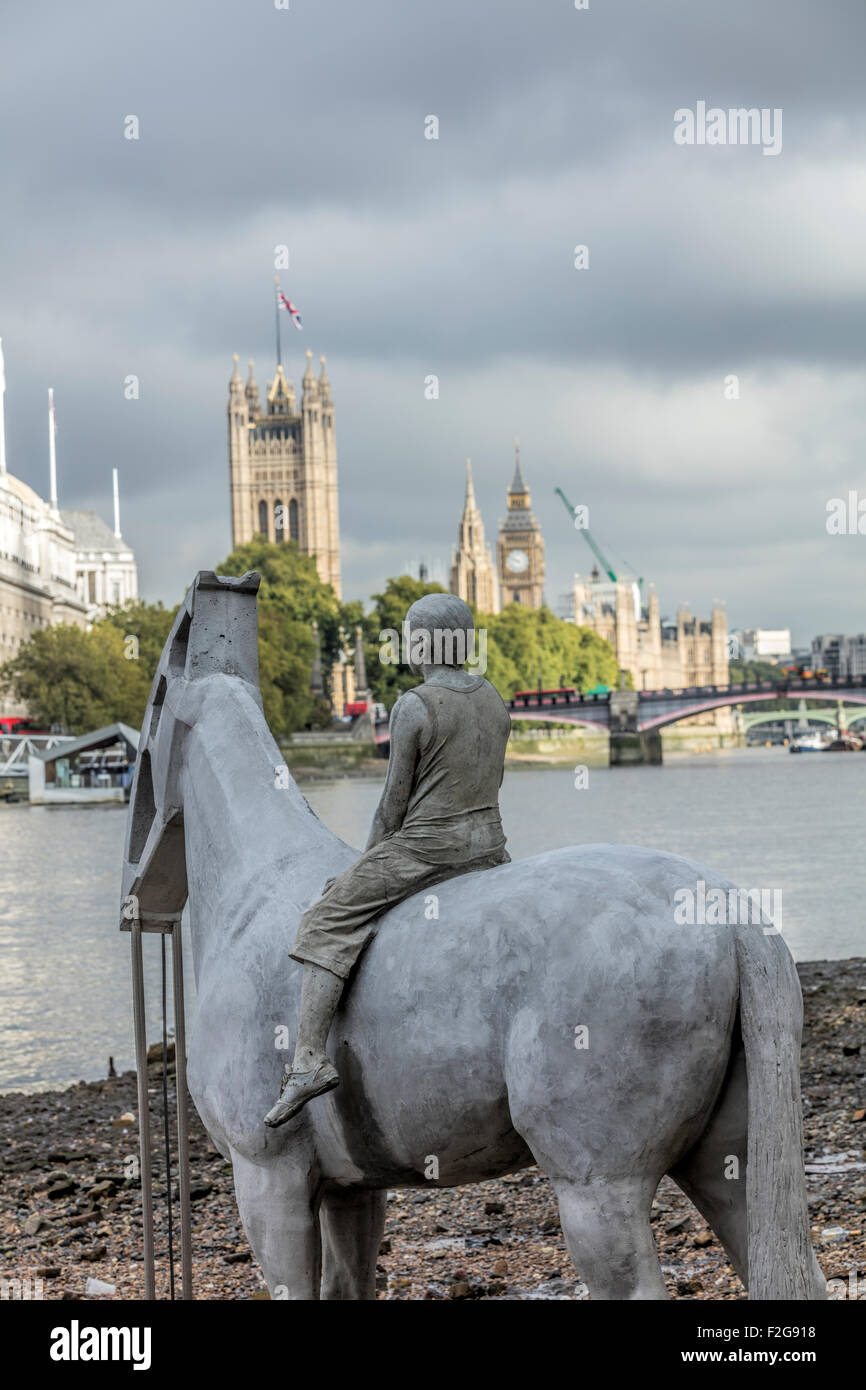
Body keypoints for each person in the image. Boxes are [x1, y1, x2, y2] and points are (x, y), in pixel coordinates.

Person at [264, 593, 512, 1127]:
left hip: (428, 849)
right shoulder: (494, 698)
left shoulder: (414, 705)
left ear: (425, 641)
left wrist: (363, 868)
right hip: (490, 847)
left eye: (409, 633)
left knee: (326, 918)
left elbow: (392, 807)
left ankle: (307, 1059)